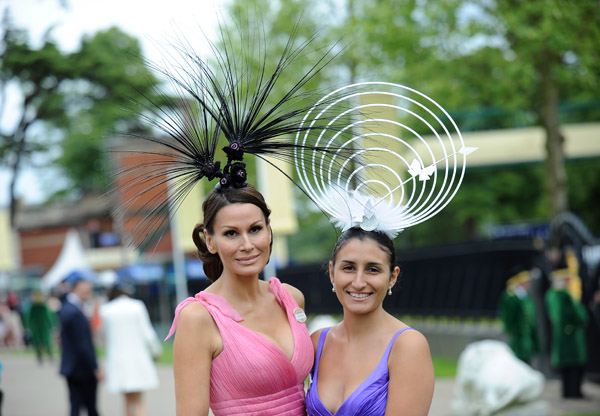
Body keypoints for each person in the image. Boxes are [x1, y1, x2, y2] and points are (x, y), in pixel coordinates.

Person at [164, 184, 313, 415]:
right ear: (210, 241)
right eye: (231, 233)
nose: (247, 245)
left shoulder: (291, 298)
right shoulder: (198, 318)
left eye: (255, 229)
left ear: (269, 231)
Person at [305, 227, 434, 416]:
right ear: (332, 273)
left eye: (372, 270)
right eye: (349, 268)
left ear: (392, 277)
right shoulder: (317, 343)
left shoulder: (407, 346)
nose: (358, 282)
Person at [100, 283, 162, 416]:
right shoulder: (137, 306)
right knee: (139, 400)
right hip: (137, 358)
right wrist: (156, 350)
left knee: (126, 400)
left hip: (118, 360)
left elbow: (103, 336)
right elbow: (147, 332)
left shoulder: (106, 310)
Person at [58, 277, 103, 416]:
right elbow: (82, 345)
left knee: (77, 406)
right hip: (81, 369)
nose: (89, 292)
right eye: (86, 289)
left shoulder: (69, 308)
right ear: (77, 289)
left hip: (74, 367)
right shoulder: (73, 312)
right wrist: (95, 367)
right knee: (89, 407)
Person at [545, 264, 589, 399]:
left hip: (569, 334)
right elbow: (564, 314)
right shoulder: (560, 294)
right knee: (570, 366)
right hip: (568, 335)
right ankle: (572, 392)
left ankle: (573, 391)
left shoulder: (562, 293)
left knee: (573, 366)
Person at [497, 269, 540, 364]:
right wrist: (513, 330)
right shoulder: (511, 296)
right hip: (517, 335)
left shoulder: (525, 295)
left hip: (526, 334)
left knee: (527, 359)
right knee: (518, 359)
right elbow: (508, 317)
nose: (528, 284)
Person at [24, 291, 56, 364]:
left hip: (36, 327)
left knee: (38, 342)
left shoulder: (32, 308)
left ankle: (41, 357)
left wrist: (28, 326)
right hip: (43, 326)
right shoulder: (43, 307)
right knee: (46, 341)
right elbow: (49, 317)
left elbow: (27, 318)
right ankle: (49, 356)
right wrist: (51, 324)